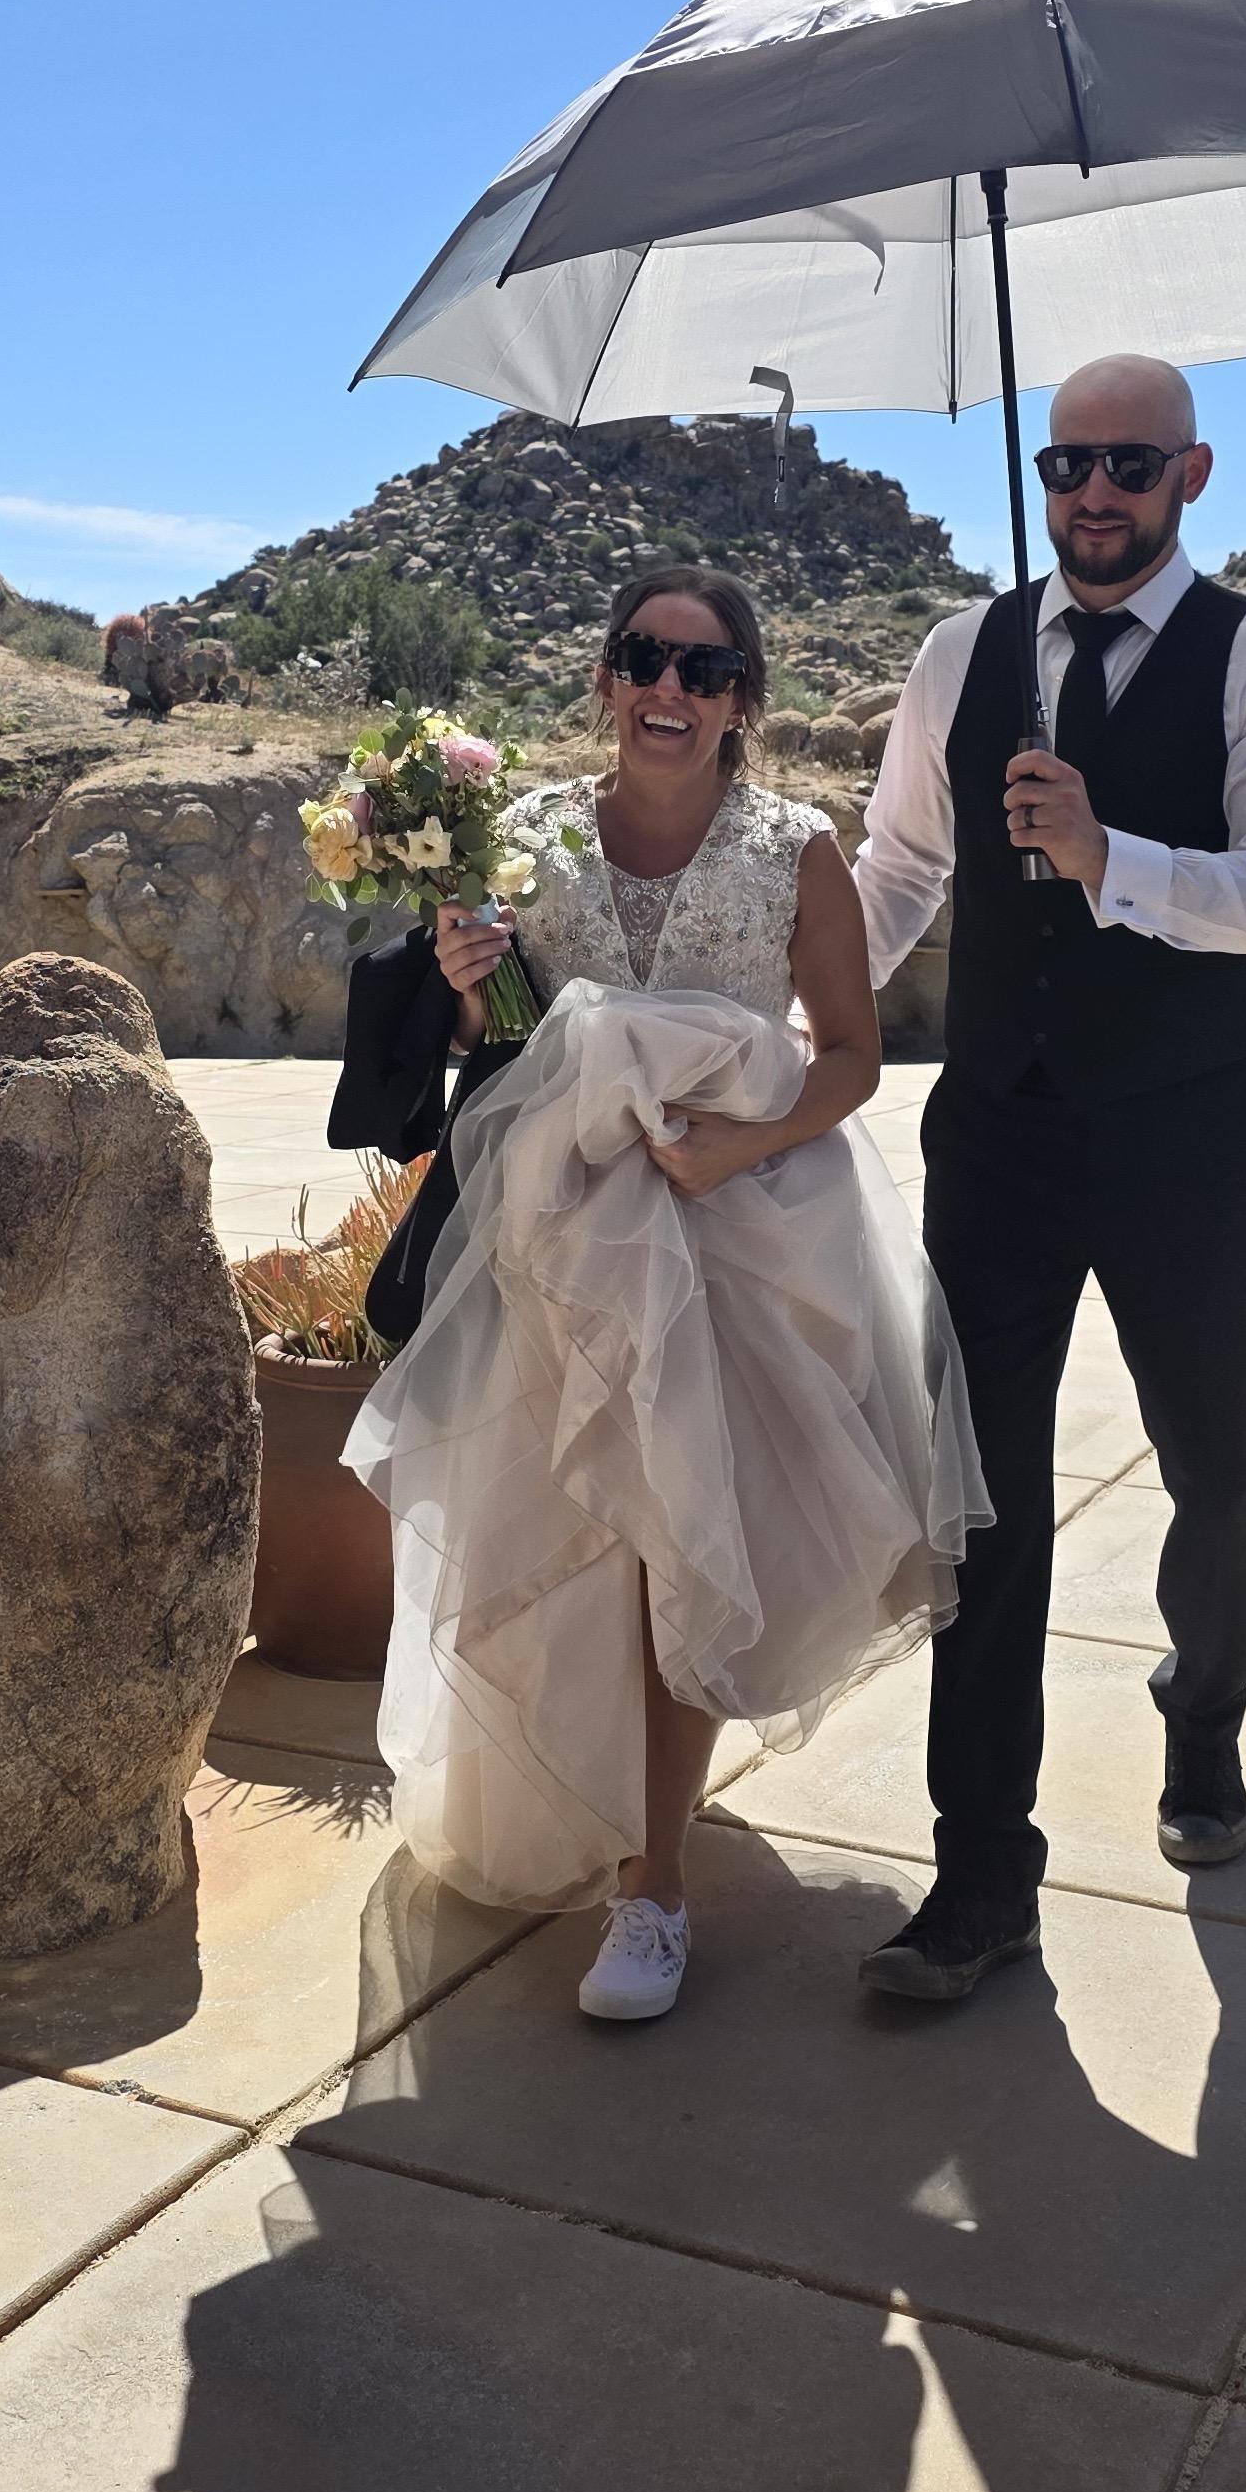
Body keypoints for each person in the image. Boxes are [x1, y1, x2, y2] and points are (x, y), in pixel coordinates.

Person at [340, 566, 988, 2024]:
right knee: (570, 1539)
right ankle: (586, 1803)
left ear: (742, 700)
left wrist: (742, 1147)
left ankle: (657, 1887)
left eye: (704, 670)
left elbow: (852, 1054)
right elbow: (498, 1045)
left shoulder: (796, 851)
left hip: (744, 1236)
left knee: (679, 1540)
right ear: (607, 680)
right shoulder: (528, 836)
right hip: (559, 1245)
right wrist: (467, 981)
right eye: (643, 658)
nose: (669, 690)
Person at [850, 354, 1246, 2006]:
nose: (1094, 494)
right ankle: (982, 1868)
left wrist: (1106, 856)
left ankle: (1203, 1708)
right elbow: (901, 867)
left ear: (1192, 475)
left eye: (1131, 464)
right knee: (983, 1494)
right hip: (999, 1134)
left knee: (1219, 1462)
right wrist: (786, 1023)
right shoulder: (962, 653)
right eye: (1068, 465)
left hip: (1185, 1141)